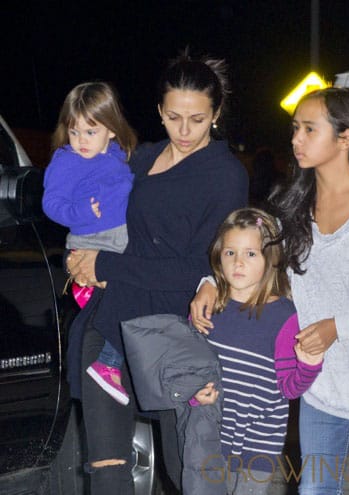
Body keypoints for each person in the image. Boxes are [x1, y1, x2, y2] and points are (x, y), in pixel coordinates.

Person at [192, 88, 349, 495]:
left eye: (310, 129)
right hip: (326, 381)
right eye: (295, 129)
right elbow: (256, 261)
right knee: (314, 490)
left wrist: (336, 328)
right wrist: (208, 284)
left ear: (346, 137)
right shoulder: (296, 206)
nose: (296, 139)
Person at [66, 51, 249, 494]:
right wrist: (80, 253)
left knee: (183, 468)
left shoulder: (224, 175)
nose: (184, 131)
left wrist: (106, 265)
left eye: (197, 119)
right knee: (107, 470)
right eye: (173, 117)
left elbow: (200, 266)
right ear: (158, 112)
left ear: (217, 115)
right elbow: (99, 216)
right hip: (110, 327)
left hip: (175, 337)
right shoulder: (139, 160)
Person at [190, 207, 323, 495]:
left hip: (258, 446)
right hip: (207, 437)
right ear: (218, 256)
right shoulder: (205, 309)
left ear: (269, 259)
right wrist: (193, 395)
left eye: (251, 254)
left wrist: (309, 365)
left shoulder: (284, 317)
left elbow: (289, 389)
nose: (238, 262)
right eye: (230, 253)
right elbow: (186, 369)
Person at [42, 81, 137, 406]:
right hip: (90, 240)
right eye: (74, 131)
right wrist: (78, 211)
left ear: (111, 130)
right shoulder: (66, 160)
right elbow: (51, 204)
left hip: (122, 238)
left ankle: (112, 365)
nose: (81, 140)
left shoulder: (118, 156)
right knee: (125, 298)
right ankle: (108, 364)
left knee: (136, 299)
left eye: (90, 131)